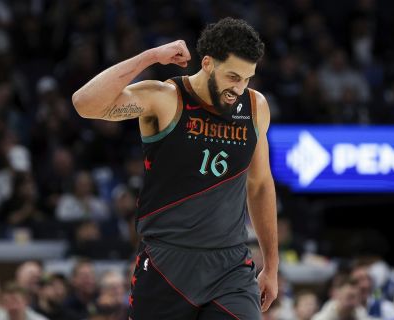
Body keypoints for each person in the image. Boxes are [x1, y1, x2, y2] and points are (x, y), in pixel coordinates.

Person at [72, 17, 278, 319]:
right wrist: (150, 56)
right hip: (167, 263)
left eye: (247, 78)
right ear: (207, 63)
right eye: (233, 76)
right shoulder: (166, 98)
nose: (239, 88)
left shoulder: (255, 106)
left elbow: (259, 185)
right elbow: (85, 103)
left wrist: (271, 267)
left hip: (230, 266)